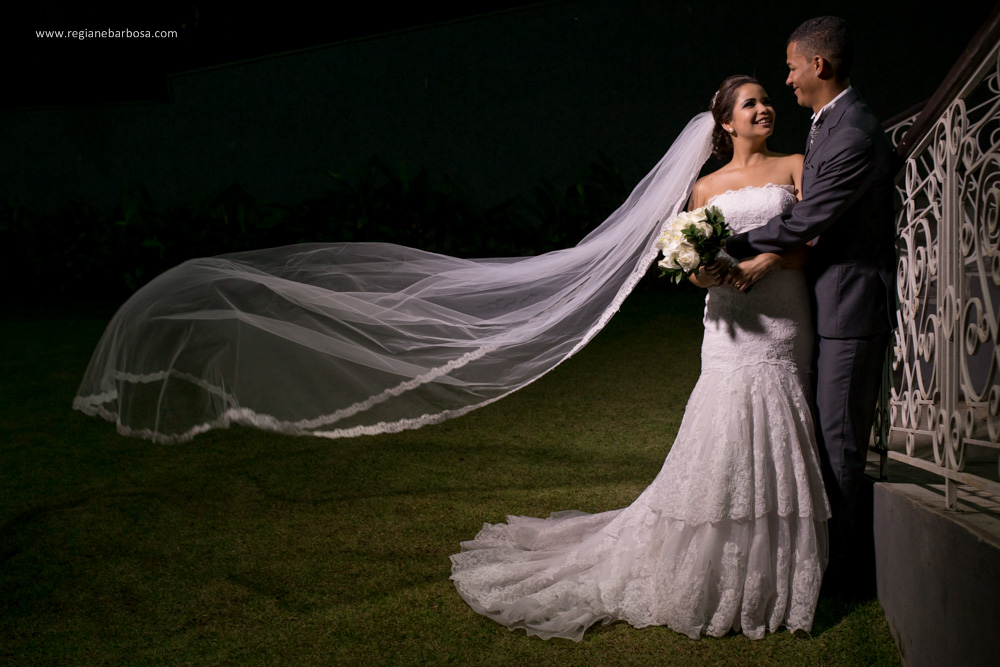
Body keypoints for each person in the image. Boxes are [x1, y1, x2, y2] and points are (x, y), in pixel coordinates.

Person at [450, 75, 830, 641]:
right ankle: (717, 568)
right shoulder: (704, 189)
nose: (765, 109)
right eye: (751, 104)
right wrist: (707, 271)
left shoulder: (796, 164)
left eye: (767, 101)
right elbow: (695, 265)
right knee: (725, 435)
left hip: (783, 315)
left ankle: (775, 573)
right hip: (730, 320)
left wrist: (764, 264)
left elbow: (808, 241)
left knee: (780, 425)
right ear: (726, 122)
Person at [724, 17, 895, 582]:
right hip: (820, 304)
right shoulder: (828, 123)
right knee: (822, 433)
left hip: (848, 307)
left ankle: (840, 570)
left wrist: (732, 241)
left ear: (818, 65)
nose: (789, 79)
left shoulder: (852, 131)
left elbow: (810, 217)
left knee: (839, 441)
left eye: (793, 67)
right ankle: (820, 552)